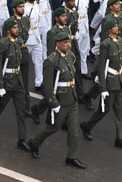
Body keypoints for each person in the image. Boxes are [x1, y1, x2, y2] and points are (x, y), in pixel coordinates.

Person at [27, 31, 85, 169]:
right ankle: (35, 143)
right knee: (53, 127)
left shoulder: (70, 56)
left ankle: (71, 157)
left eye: (69, 42)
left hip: (72, 98)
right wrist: (53, 103)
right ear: (58, 44)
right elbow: (47, 87)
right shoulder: (51, 61)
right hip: (61, 100)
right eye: (65, 42)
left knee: (74, 131)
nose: (68, 45)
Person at [80, 17, 122, 151]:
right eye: (115, 26)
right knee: (105, 109)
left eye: (118, 26)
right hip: (110, 81)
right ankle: (87, 126)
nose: (117, 28)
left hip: (119, 80)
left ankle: (120, 139)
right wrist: (102, 87)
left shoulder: (120, 41)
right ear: (110, 30)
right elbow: (102, 65)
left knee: (119, 110)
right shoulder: (105, 44)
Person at [0, 18, 30, 151]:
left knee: (21, 111)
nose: (17, 29)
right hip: (7, 81)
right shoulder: (2, 44)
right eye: (14, 28)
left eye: (17, 27)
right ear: (8, 30)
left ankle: (22, 139)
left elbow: (23, 60)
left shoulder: (19, 42)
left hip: (18, 79)